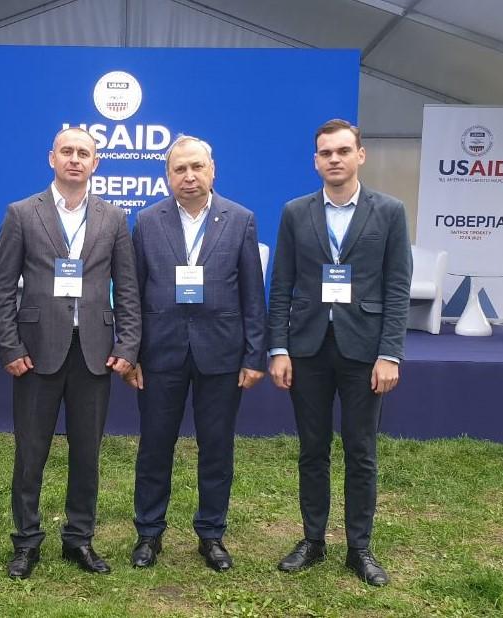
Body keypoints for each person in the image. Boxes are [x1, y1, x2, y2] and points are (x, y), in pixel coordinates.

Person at [0, 126, 141, 579]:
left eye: (83, 153)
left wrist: (128, 343)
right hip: (35, 352)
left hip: (95, 352)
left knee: (87, 453)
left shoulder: (114, 218)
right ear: (51, 158)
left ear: (96, 163)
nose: (75, 159)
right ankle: (26, 542)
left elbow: (127, 287)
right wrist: (9, 345)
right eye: (67, 151)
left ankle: (79, 538)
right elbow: (2, 288)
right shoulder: (22, 213)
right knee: (30, 452)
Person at [267, 118, 411, 586]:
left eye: (343, 151)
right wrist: (278, 347)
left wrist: (390, 354)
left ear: (360, 155)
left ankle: (359, 548)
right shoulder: (295, 212)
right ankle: (312, 540)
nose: (335, 159)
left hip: (364, 351)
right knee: (312, 450)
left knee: (361, 450)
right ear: (316, 161)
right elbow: (281, 284)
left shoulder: (389, 211)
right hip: (306, 349)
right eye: (326, 153)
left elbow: (397, 287)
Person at [125, 136, 266, 571]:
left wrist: (254, 356)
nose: (189, 176)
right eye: (180, 169)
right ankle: (149, 533)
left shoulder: (240, 219)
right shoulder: (147, 221)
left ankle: (211, 534)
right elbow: (132, 293)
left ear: (212, 170)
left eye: (197, 167)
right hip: (159, 353)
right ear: (168, 176)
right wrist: (131, 353)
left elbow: (253, 295)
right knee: (155, 446)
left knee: (217, 448)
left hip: (221, 353)